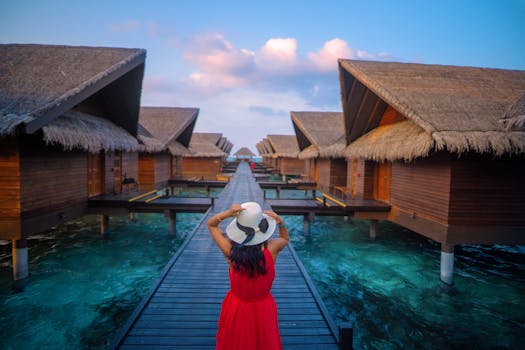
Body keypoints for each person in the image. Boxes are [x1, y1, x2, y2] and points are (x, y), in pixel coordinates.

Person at [207, 201, 289, 350]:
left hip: (237, 306)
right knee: (264, 342)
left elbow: (211, 224)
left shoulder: (230, 251)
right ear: (263, 229)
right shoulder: (273, 248)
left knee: (235, 342)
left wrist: (228, 213)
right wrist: (281, 223)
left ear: (239, 229)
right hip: (263, 306)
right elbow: (285, 239)